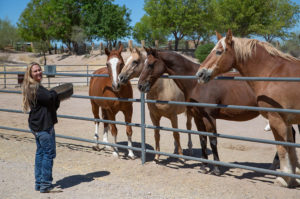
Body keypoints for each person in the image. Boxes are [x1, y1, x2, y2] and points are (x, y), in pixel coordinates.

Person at [22, 62, 62, 193]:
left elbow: (49, 98)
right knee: (49, 153)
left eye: (39, 70)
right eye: (35, 71)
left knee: (40, 152)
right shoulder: (36, 89)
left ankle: (39, 183)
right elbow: (51, 98)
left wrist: (52, 94)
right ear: (30, 74)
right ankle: (45, 184)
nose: (39, 72)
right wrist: (55, 94)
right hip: (43, 125)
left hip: (36, 124)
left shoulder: (33, 86)